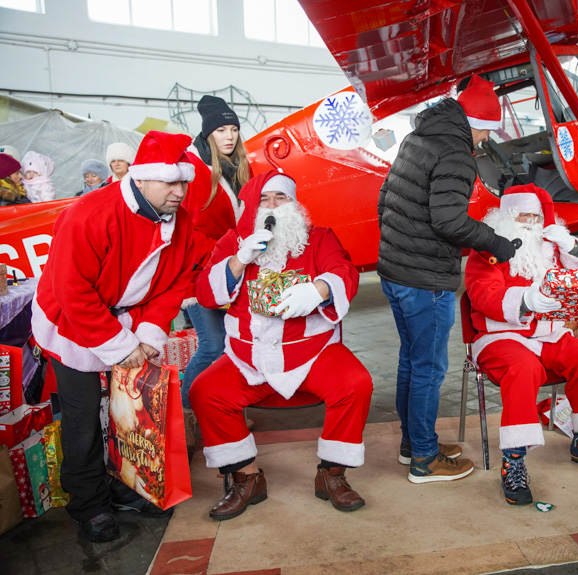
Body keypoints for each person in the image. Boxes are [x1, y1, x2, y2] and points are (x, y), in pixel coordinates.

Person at [30, 131, 196, 543]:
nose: (179, 192)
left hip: (130, 324)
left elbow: (175, 283)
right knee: (84, 415)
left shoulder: (181, 219)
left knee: (127, 413)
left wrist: (147, 335)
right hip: (70, 323)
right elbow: (72, 292)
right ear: (141, 178)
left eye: (184, 182)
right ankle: (87, 501)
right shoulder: (88, 213)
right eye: (170, 182)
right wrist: (121, 346)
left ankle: (127, 485)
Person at [190, 171, 372, 520]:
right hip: (249, 355)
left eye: (281, 198)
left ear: (294, 204)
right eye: (264, 200)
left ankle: (332, 474)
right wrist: (240, 259)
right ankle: (246, 477)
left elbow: (344, 272)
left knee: (356, 384)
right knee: (205, 391)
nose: (272, 206)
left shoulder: (318, 238)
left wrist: (317, 291)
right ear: (252, 208)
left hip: (311, 351)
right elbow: (204, 293)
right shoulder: (234, 241)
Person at [377, 74, 517, 483]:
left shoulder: (417, 137)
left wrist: (397, 249)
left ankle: (413, 442)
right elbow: (449, 220)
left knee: (411, 360)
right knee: (429, 368)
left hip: (396, 272)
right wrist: (497, 243)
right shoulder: (457, 153)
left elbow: (386, 197)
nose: (483, 143)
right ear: (477, 125)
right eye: (485, 134)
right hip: (426, 280)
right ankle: (424, 458)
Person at [464, 184, 578, 505]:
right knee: (523, 369)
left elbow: (577, 276)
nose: (532, 223)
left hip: (548, 335)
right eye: (524, 216)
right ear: (507, 216)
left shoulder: (549, 246)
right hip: (499, 336)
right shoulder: (486, 248)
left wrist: (571, 248)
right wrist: (526, 300)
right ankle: (514, 461)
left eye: (536, 217)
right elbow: (482, 294)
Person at [181, 95, 251, 442]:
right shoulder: (195, 171)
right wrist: (226, 251)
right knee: (213, 346)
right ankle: (182, 415)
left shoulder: (235, 168)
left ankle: (222, 412)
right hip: (199, 275)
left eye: (234, 129)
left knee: (231, 346)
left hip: (230, 272)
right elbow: (187, 231)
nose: (229, 136)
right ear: (208, 133)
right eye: (221, 129)